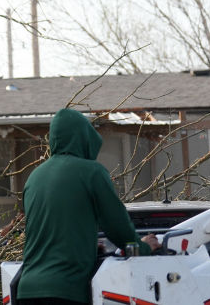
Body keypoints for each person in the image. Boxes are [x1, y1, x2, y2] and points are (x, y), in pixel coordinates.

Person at [15, 108, 160, 305]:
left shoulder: (34, 177)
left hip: (27, 290)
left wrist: (86, 246)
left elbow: (44, 230)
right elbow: (116, 226)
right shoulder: (91, 172)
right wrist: (142, 248)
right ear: (84, 138)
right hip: (66, 291)